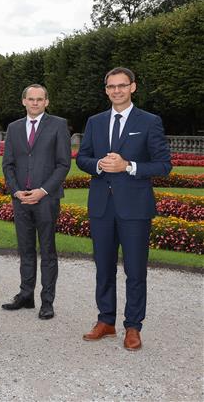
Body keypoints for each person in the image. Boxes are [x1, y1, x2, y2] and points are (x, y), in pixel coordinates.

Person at [77, 67, 171, 351]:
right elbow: (82, 157)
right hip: (101, 207)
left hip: (135, 209)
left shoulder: (150, 121)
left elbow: (164, 165)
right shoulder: (95, 122)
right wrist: (97, 165)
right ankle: (106, 321)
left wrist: (127, 166)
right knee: (103, 268)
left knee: (135, 270)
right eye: (111, 86)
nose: (116, 90)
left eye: (122, 85)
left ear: (133, 87)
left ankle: (133, 326)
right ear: (106, 90)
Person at [1, 84, 71, 320]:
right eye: (31, 99)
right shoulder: (14, 128)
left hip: (46, 199)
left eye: (39, 99)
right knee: (26, 249)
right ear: (24, 101)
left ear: (46, 102)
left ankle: (47, 301)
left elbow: (63, 164)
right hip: (20, 199)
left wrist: (43, 191)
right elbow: (8, 164)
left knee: (48, 251)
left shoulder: (58, 125)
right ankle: (26, 294)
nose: (35, 103)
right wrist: (16, 190)